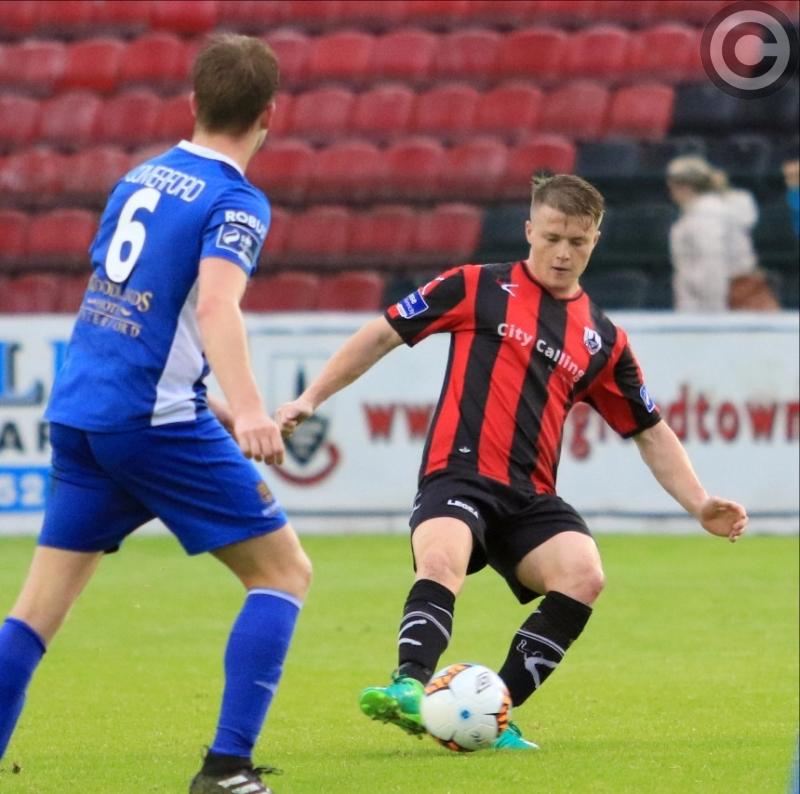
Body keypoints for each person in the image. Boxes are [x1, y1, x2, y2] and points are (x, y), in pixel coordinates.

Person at [276, 174, 748, 749]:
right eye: (552, 237)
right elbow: (381, 335)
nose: (564, 252)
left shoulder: (604, 338)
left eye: (578, 241)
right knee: (443, 558)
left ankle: (491, 711)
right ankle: (409, 686)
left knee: (583, 575)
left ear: (595, 240)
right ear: (529, 230)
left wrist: (699, 502)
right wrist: (309, 398)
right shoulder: (476, 286)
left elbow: (649, 430)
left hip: (529, 496)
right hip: (458, 473)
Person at [0, 35, 311, 794]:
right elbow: (214, 303)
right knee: (283, 574)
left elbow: (124, 310)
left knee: (36, 614)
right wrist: (248, 408)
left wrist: (212, 398)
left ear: (193, 103)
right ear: (271, 114)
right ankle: (227, 770)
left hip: (84, 414)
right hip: (152, 424)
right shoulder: (235, 199)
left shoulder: (140, 176)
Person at [666, 155, 777, 311]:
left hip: (729, 303)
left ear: (684, 186)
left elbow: (712, 266)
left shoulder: (705, 216)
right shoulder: (707, 212)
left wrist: (715, 319)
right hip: (729, 299)